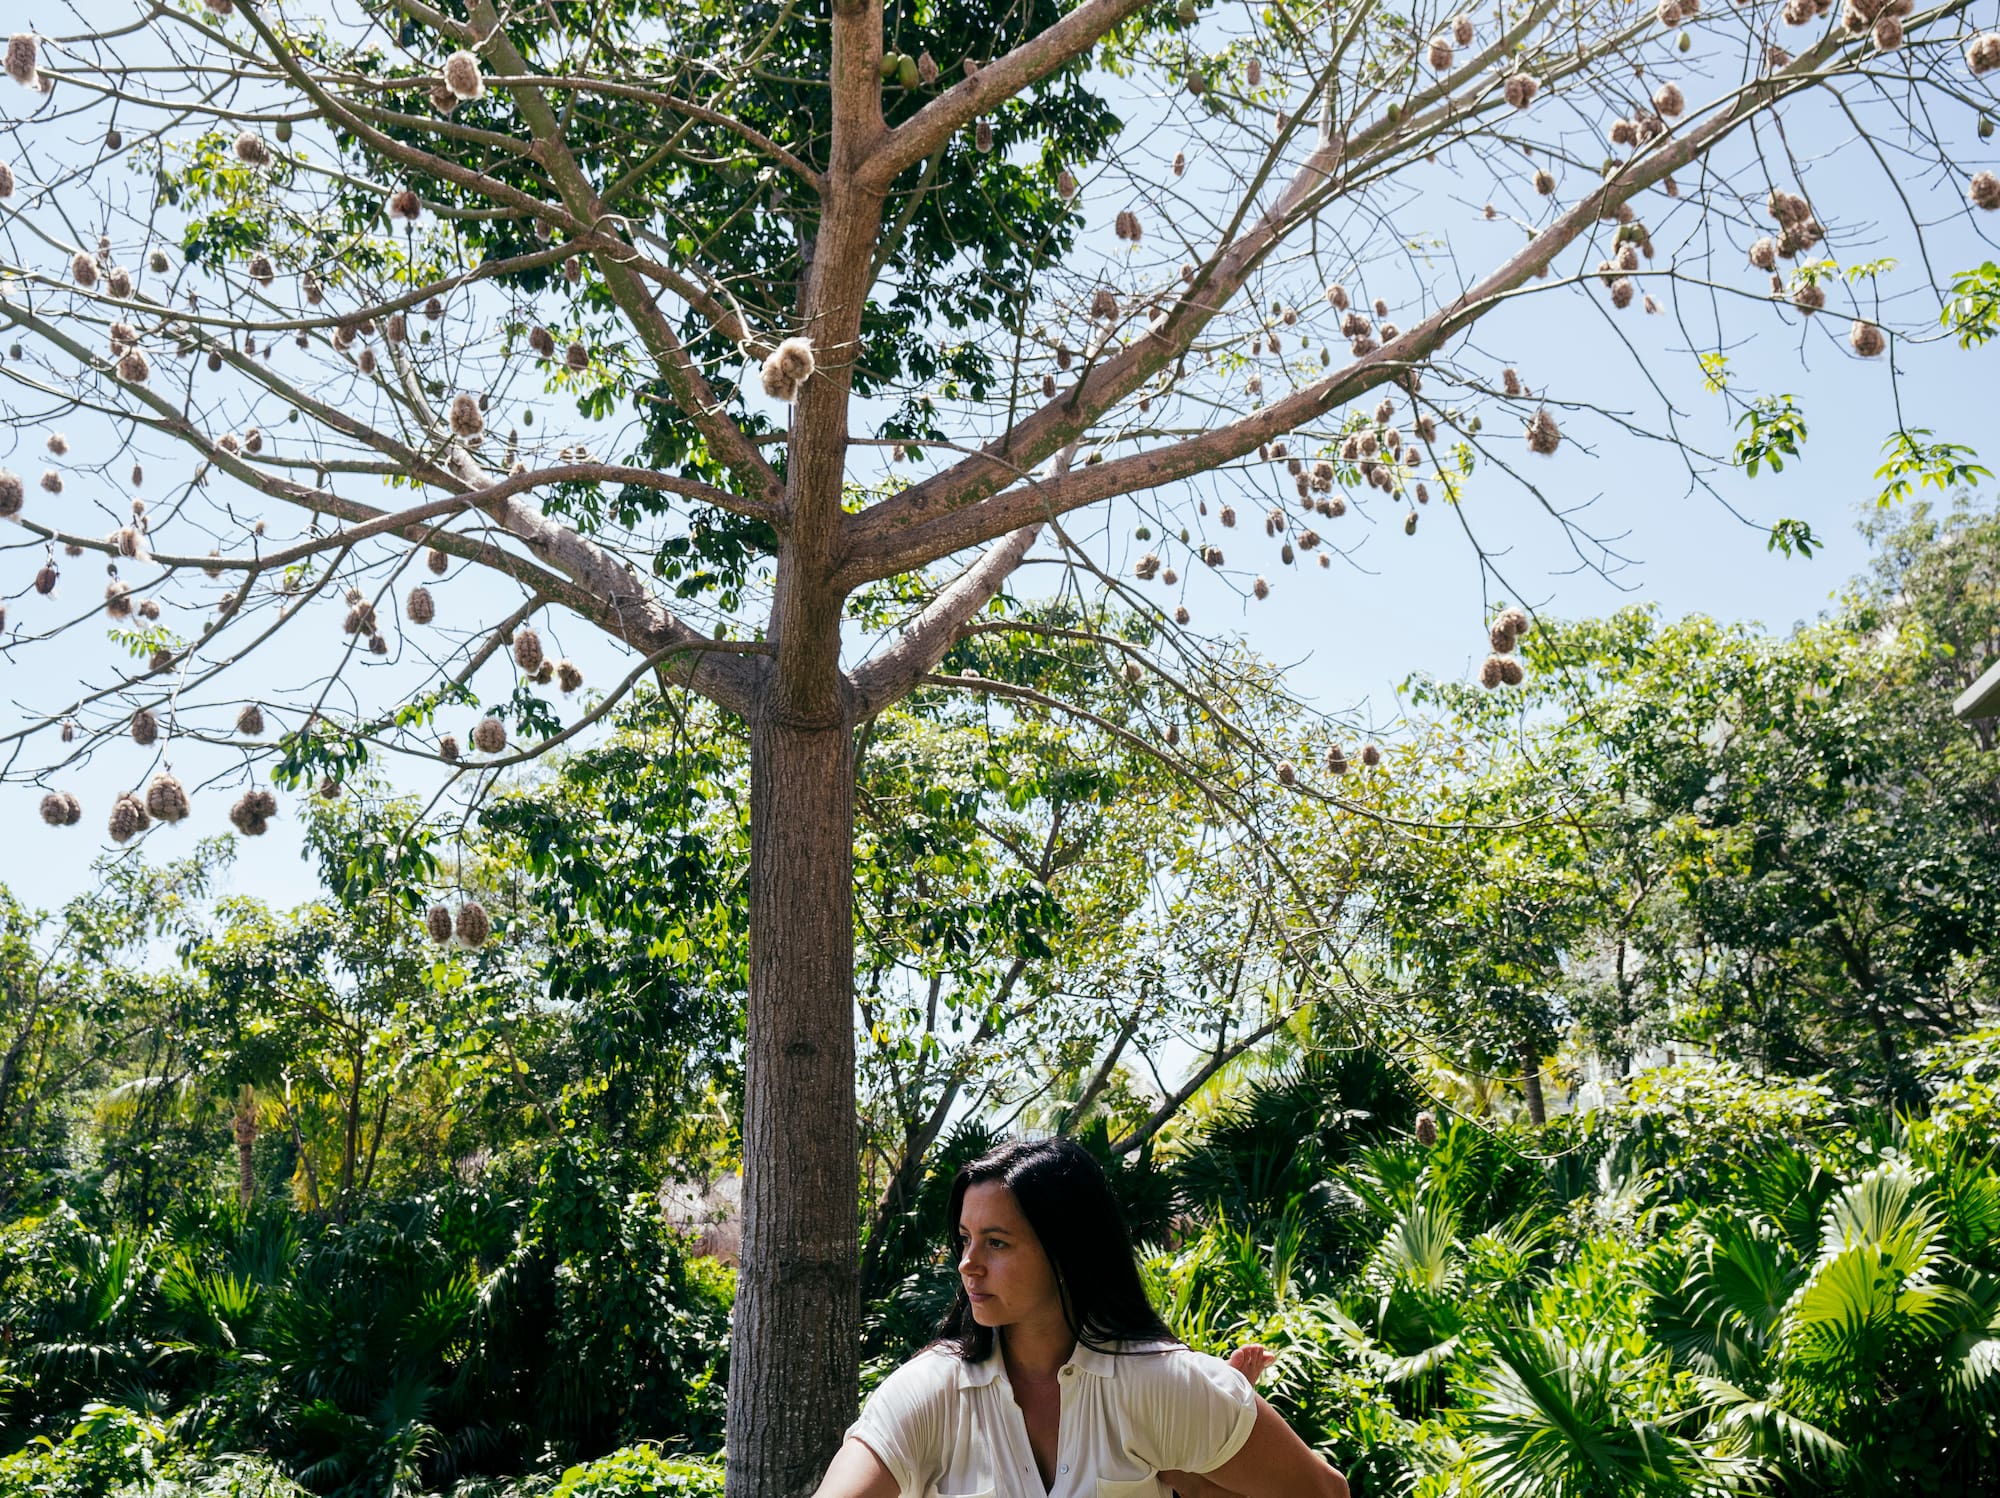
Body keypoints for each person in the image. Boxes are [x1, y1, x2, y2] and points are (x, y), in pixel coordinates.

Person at [811, 1137, 1350, 1498]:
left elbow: (1325, 1493)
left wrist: (1196, 1477)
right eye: (965, 1239)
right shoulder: (930, 1394)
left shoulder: (1165, 1386)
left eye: (996, 1243)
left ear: (1068, 1253)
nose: (968, 1264)